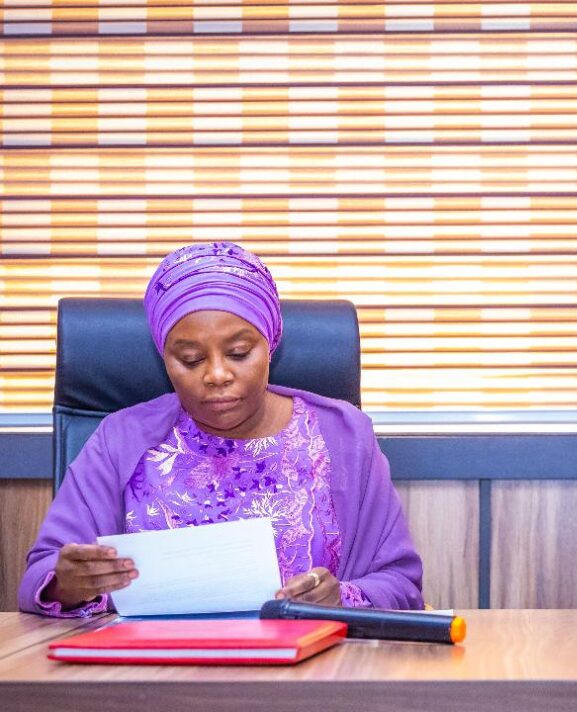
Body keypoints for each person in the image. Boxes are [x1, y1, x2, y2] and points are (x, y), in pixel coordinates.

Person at [19, 242, 423, 616]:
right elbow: (43, 578)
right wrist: (69, 583)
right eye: (190, 359)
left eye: (238, 353)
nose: (216, 374)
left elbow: (401, 586)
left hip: (309, 677)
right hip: (151, 675)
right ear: (164, 357)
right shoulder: (119, 440)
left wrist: (340, 599)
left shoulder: (342, 436)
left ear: (270, 345)